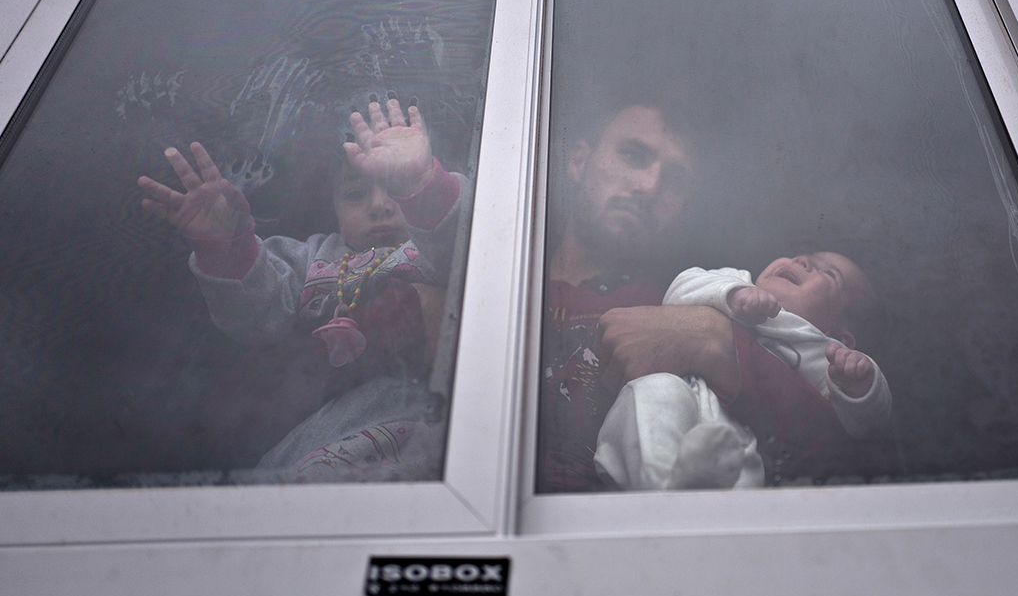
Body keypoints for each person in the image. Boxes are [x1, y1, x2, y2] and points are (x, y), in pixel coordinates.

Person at [138, 98, 464, 482]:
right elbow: (257, 318)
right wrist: (224, 244)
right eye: (356, 194)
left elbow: (471, 248)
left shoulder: (434, 248)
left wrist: (421, 184)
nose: (380, 206)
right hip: (324, 431)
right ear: (333, 206)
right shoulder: (312, 256)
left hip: (428, 421)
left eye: (393, 188)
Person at [539, 101, 857, 492]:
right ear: (577, 161)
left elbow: (843, 453)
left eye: (674, 180)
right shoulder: (477, 280)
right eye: (634, 155)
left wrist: (717, 342)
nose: (649, 187)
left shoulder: (694, 305)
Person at [594, 252, 891, 491]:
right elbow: (680, 290)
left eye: (829, 274)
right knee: (656, 392)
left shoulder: (823, 349)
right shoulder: (737, 280)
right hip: (682, 392)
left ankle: (694, 495)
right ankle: (662, 486)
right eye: (804, 257)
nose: (804, 262)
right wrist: (732, 294)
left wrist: (862, 386)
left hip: (737, 438)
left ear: (839, 334)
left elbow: (861, 423)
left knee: (740, 461)